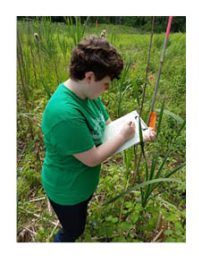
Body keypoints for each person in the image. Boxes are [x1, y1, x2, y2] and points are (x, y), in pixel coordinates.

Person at [41, 36, 156, 242]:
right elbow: (93, 158)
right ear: (89, 76)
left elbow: (107, 128)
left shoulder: (88, 96)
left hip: (81, 186)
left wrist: (140, 134)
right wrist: (123, 136)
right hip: (67, 191)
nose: (106, 89)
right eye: (105, 84)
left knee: (80, 218)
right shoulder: (65, 114)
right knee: (72, 231)